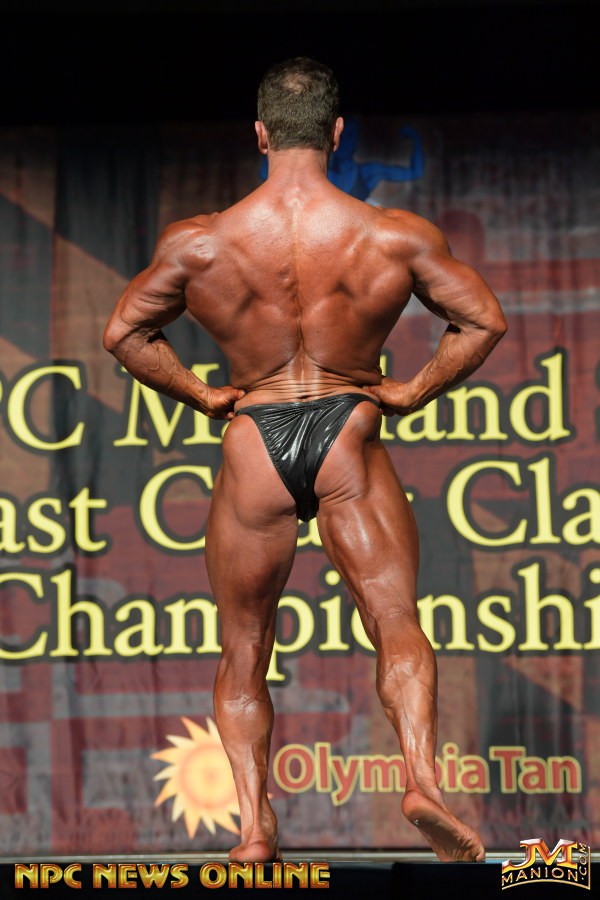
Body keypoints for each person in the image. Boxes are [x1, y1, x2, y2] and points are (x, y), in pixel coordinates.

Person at [103, 56, 507, 865]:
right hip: (348, 429)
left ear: (260, 134)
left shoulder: (202, 242)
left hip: (255, 436)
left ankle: (254, 830)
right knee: (394, 621)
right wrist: (413, 390)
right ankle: (423, 783)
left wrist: (203, 395)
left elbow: (123, 334)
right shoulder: (391, 235)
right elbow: (483, 321)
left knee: (245, 647)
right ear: (337, 132)